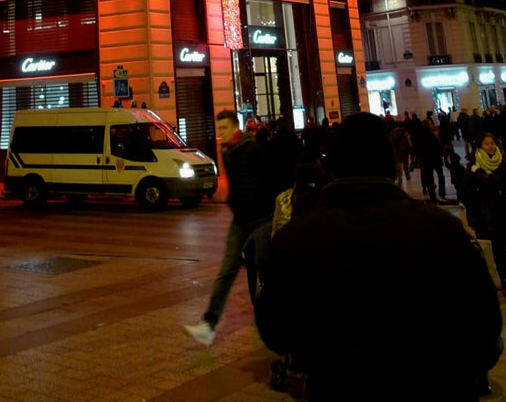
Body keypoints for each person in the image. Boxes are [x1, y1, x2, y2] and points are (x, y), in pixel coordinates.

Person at [254, 112, 502, 401]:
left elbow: (276, 332)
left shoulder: (295, 238)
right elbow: (486, 330)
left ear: (333, 165)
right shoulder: (443, 229)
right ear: (390, 163)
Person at [183, 108, 276, 346]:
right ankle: (209, 324)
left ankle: (276, 320)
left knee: (267, 271)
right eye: (219, 129)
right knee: (226, 271)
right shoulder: (227, 152)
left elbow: (272, 178)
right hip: (241, 221)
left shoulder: (252, 149)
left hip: (262, 219)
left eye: (224, 128)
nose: (220, 133)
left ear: (235, 127)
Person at [464, 130, 506, 292]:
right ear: (480, 146)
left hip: (504, 208)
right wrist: (472, 217)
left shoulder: (503, 160)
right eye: (486, 144)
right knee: (498, 247)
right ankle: (504, 278)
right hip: (489, 212)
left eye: (492, 143)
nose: (490, 147)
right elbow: (468, 195)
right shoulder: (474, 167)